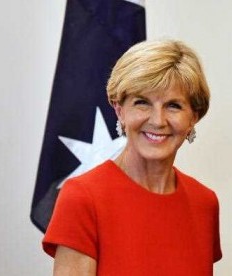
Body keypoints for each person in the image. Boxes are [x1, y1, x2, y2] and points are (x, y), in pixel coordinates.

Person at [43, 39, 222, 275]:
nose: (157, 120)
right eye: (142, 103)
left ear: (193, 117)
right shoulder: (82, 197)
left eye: (173, 106)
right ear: (120, 110)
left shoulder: (205, 203)